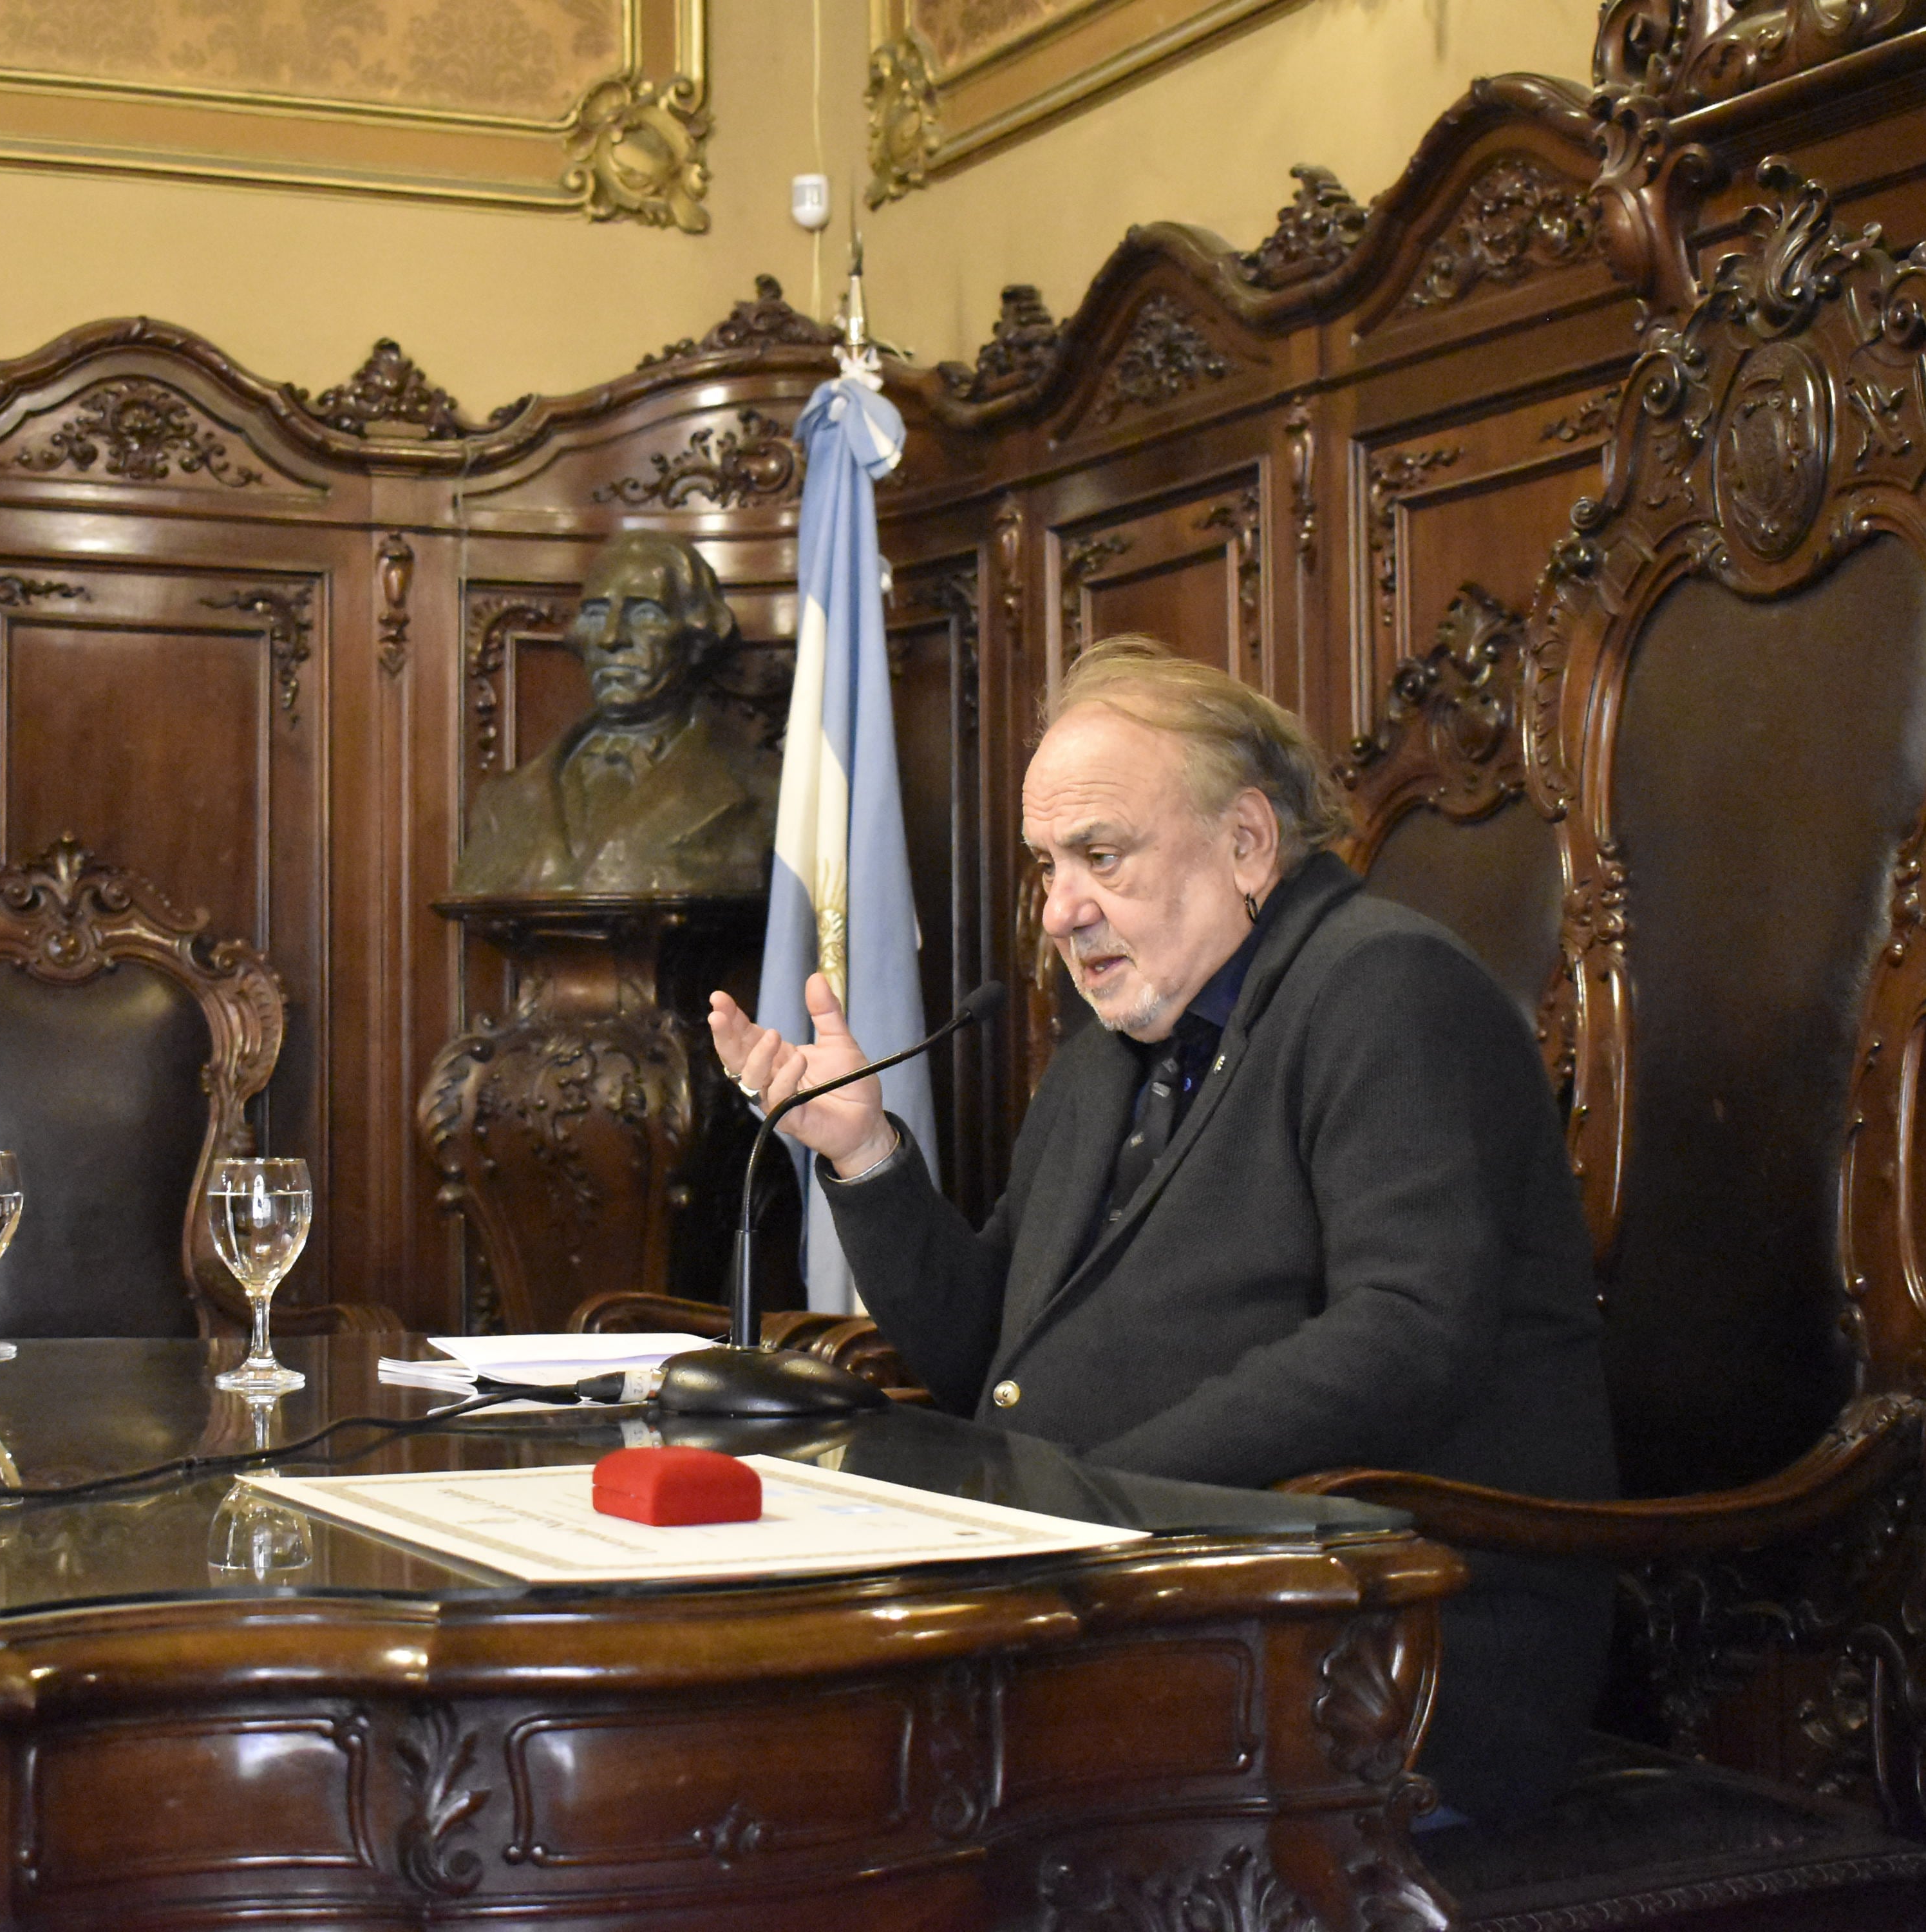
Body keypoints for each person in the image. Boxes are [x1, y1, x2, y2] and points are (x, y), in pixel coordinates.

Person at [705, 636, 1616, 1823]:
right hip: (1135, 1602)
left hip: (1380, 1648)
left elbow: (1406, 1333)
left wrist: (1089, 1496)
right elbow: (992, 1359)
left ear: (1244, 844)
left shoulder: (1385, 988)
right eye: (1045, 867)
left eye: (1100, 858)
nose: (1059, 912)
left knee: (845, 1787)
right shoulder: (1109, 1049)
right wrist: (861, 1156)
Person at [452, 531, 777, 896]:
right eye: (595, 614)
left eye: (644, 614)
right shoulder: (503, 802)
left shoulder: (765, 788)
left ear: (696, 636)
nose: (611, 638)